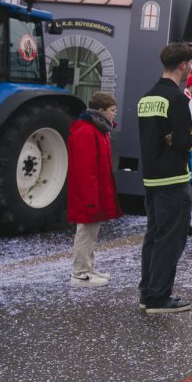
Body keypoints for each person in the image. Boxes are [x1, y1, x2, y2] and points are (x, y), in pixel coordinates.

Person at [136, 43, 192, 314]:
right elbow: (183, 142)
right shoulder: (176, 99)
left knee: (154, 236)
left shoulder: (147, 96)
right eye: (190, 64)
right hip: (174, 178)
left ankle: (148, 290)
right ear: (183, 65)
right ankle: (159, 297)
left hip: (151, 177)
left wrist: (175, 138)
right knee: (171, 239)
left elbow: (162, 137)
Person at [67, 91, 121, 286]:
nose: (115, 113)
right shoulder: (87, 132)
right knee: (86, 230)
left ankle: (87, 268)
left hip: (95, 191)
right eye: (112, 110)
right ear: (100, 111)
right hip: (88, 193)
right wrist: (90, 199)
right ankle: (79, 273)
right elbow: (85, 169)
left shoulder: (98, 129)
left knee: (91, 230)